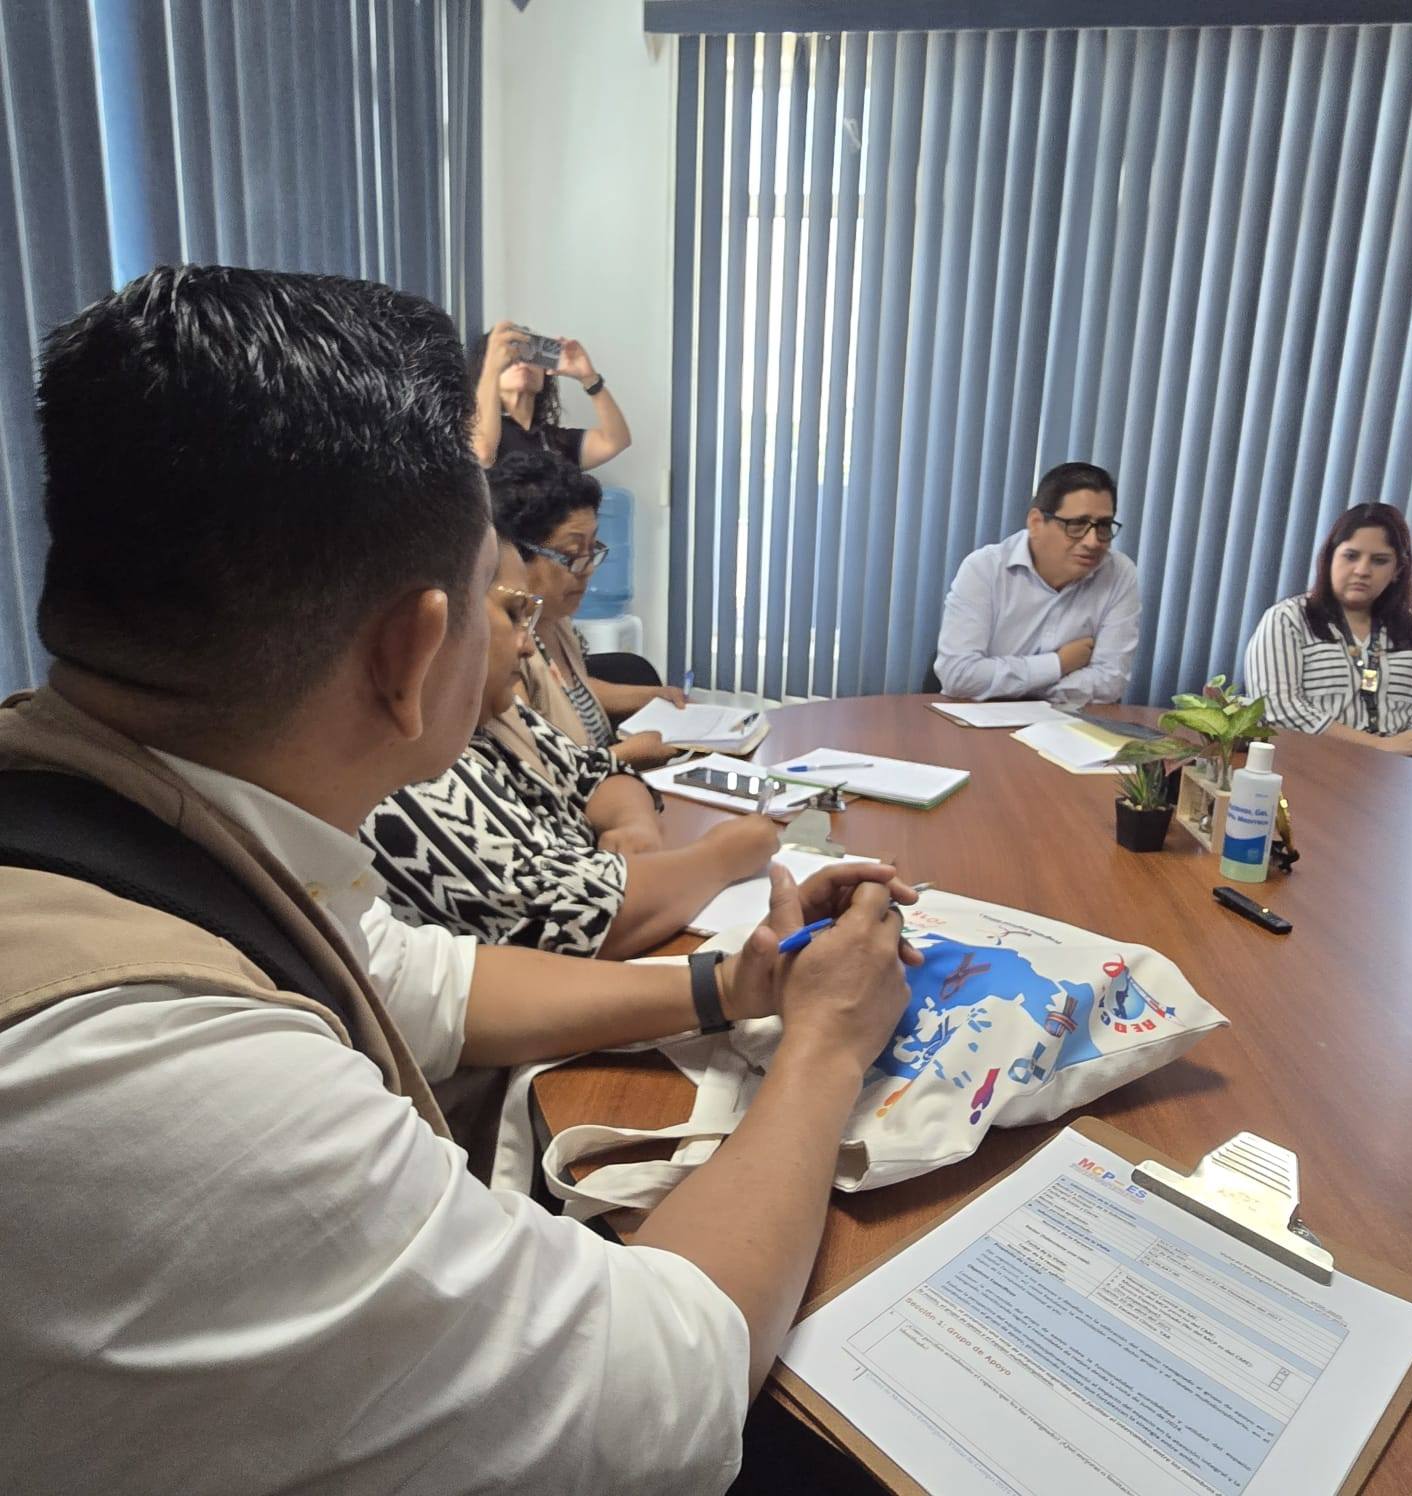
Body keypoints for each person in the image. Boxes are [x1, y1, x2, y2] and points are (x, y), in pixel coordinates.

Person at [0, 265, 919, 1494]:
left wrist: (730, 986)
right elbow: (662, 1394)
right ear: (411, 650)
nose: (524, 639)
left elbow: (414, 978)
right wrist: (824, 1047)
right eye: (499, 602)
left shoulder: (112, 815)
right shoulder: (159, 1075)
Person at [362, 533, 781, 956]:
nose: (528, 646)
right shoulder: (404, 775)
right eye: (513, 614)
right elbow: (573, 922)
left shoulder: (492, 713)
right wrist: (720, 857)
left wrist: (631, 823)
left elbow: (594, 772)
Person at [492, 449, 681, 770]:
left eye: (592, 549)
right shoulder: (507, 645)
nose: (589, 568)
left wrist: (654, 695)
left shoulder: (556, 618)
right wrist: (629, 754)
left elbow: (570, 691)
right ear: (517, 555)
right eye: (571, 554)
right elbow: (533, 769)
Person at [1243, 502, 1412, 758]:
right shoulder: (1288, 618)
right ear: (1330, 558)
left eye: (1379, 561)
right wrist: (1380, 746)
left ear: (1397, 570)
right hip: (1310, 762)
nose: (1362, 571)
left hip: (1401, 767)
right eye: (1351, 556)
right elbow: (1277, 709)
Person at [934, 461, 1140, 704]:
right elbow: (958, 675)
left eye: (1103, 526)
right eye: (1077, 525)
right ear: (1036, 523)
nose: (1093, 541)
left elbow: (1110, 683)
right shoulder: (985, 569)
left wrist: (1021, 686)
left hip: (1065, 722)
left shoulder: (1118, 573)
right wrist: (1058, 664)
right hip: (977, 718)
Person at [471, 317, 631, 471]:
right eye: (511, 355)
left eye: (531, 354)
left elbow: (616, 441)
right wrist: (491, 368)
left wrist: (589, 378)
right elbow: (482, 454)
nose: (522, 362)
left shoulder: (555, 441)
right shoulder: (478, 431)